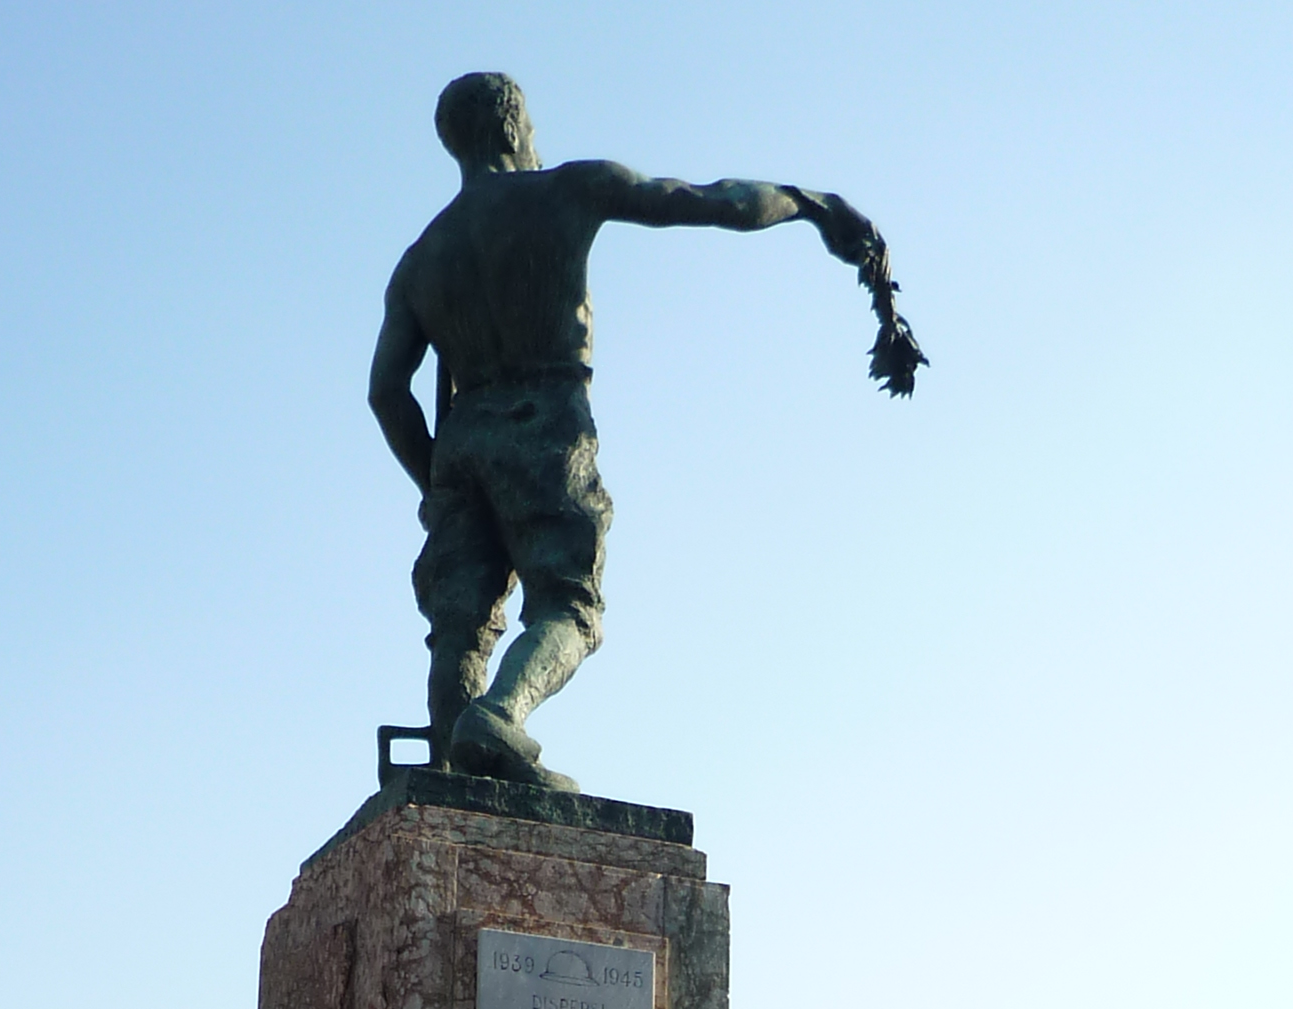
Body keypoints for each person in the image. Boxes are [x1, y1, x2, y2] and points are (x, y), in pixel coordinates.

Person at [369, 72, 918, 786]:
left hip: (464, 436)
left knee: (459, 627)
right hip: (546, 422)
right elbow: (710, 201)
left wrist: (437, 477)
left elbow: (387, 394)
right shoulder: (567, 190)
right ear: (513, 130)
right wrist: (811, 207)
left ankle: (452, 785)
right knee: (570, 606)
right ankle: (500, 714)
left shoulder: (419, 262)